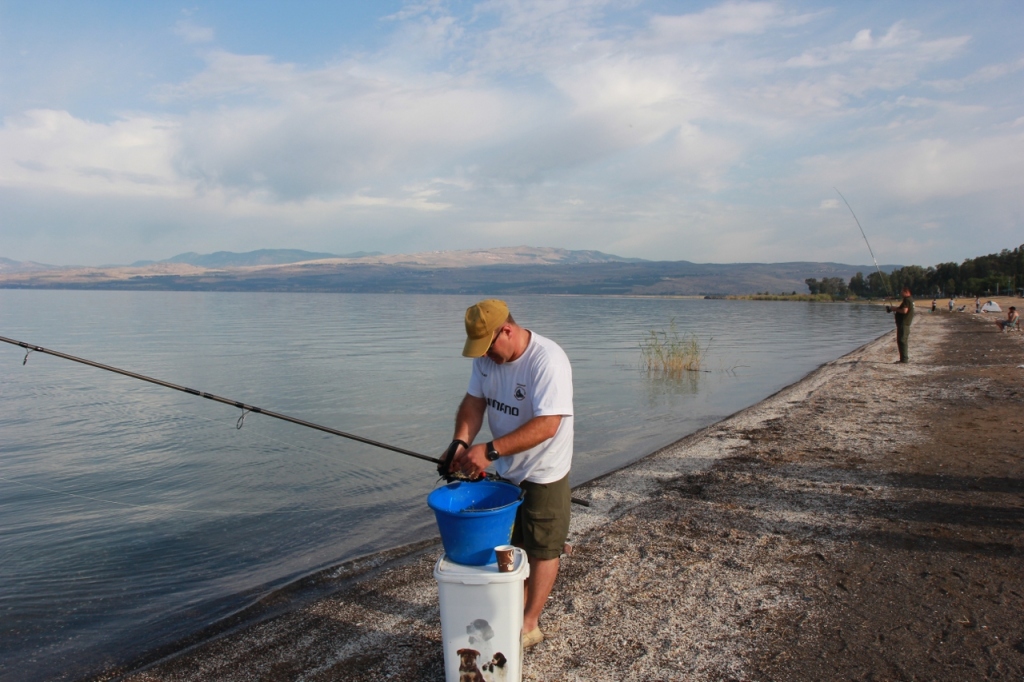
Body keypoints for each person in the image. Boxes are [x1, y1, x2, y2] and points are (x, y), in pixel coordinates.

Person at [449, 299, 574, 649]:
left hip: (544, 470)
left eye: (488, 347)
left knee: (543, 547)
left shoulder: (547, 360)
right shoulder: (485, 359)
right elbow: (474, 403)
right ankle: (511, 607)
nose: (485, 356)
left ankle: (529, 623)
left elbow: (548, 424)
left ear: (506, 330)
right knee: (508, 544)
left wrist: (488, 451)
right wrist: (461, 443)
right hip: (506, 469)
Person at [886, 287, 915, 363]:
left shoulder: (907, 300)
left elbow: (904, 311)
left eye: (902, 292)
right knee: (903, 340)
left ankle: (904, 359)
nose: (901, 293)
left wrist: (894, 309)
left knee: (901, 341)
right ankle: (903, 359)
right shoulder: (911, 300)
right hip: (905, 324)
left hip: (904, 324)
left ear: (906, 292)